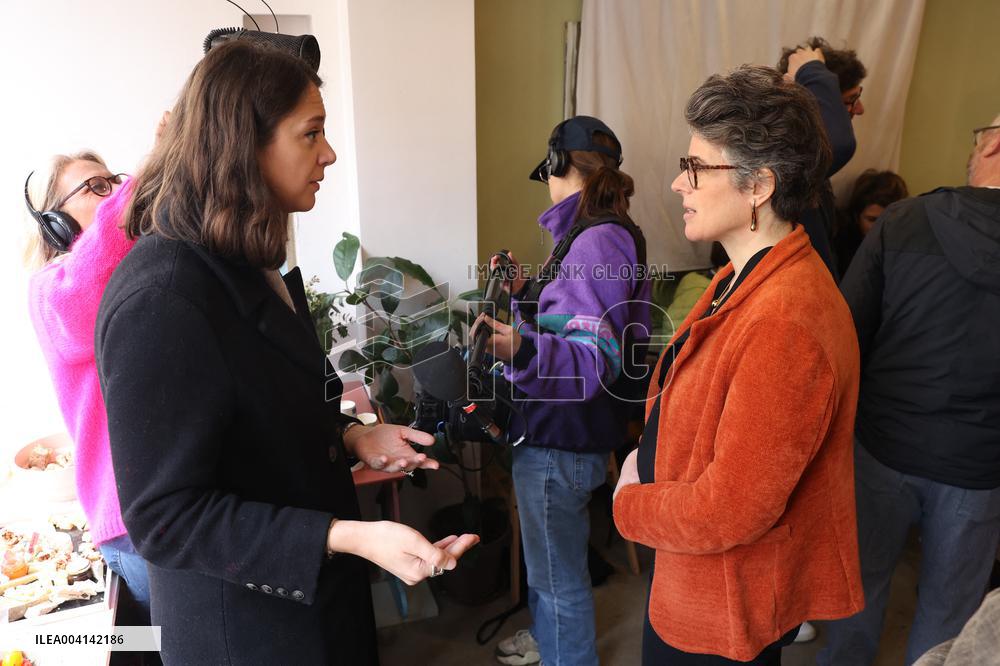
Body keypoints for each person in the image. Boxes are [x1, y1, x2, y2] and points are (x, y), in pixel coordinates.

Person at [94, 41, 477, 664]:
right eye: (312, 133)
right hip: (247, 631)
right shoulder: (163, 298)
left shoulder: (245, 260)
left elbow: (261, 413)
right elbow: (164, 516)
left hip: (315, 609)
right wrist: (347, 535)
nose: (328, 154)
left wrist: (354, 440)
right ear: (245, 144)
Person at [613, 65, 864, 665]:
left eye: (697, 168)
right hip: (696, 577)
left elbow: (732, 508)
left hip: (721, 604)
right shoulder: (744, 275)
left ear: (760, 186)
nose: (679, 183)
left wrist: (629, 503)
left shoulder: (786, 320)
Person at [819, 116, 1000, 666]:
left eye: (979, 135)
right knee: (949, 610)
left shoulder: (903, 220)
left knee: (859, 588)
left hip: (882, 447)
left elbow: (845, 333)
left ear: (993, 144)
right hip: (980, 466)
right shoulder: (905, 217)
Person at [475, 115, 651, 666]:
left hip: (559, 441)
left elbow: (589, 362)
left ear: (557, 166)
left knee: (558, 583)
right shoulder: (596, 235)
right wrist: (530, 291)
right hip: (565, 437)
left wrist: (517, 351)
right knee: (555, 572)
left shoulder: (596, 242)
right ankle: (552, 639)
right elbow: (576, 324)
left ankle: (564, 652)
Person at [24, 151, 153, 619]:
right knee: (160, 646)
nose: (113, 193)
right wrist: (153, 166)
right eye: (94, 187)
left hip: (167, 508)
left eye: (113, 182)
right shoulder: (50, 291)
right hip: (132, 523)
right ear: (54, 222)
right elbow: (91, 271)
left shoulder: (134, 275)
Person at [778, 36, 867, 280]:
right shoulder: (785, 159)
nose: (859, 110)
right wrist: (813, 72)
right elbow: (839, 143)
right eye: (850, 100)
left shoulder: (810, 161)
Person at [832, 169, 909, 277]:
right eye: (872, 220)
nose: (879, 228)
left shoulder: (905, 243)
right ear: (856, 217)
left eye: (888, 221)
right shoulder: (841, 245)